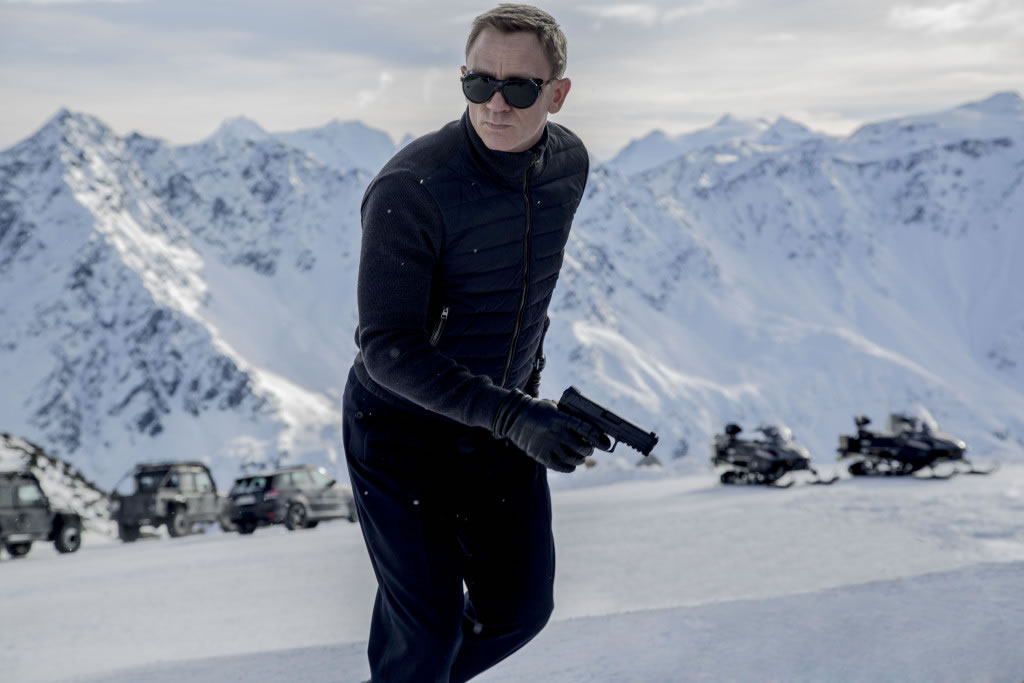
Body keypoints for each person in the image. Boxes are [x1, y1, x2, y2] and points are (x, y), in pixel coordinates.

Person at [342, 4, 608, 681]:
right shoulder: (412, 188)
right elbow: (387, 348)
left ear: (557, 94)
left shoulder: (568, 165)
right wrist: (515, 414)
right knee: (427, 632)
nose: (495, 103)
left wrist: (532, 401)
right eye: (479, 82)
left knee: (519, 610)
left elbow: (525, 291)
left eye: (518, 87)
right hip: (401, 434)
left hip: (499, 423)